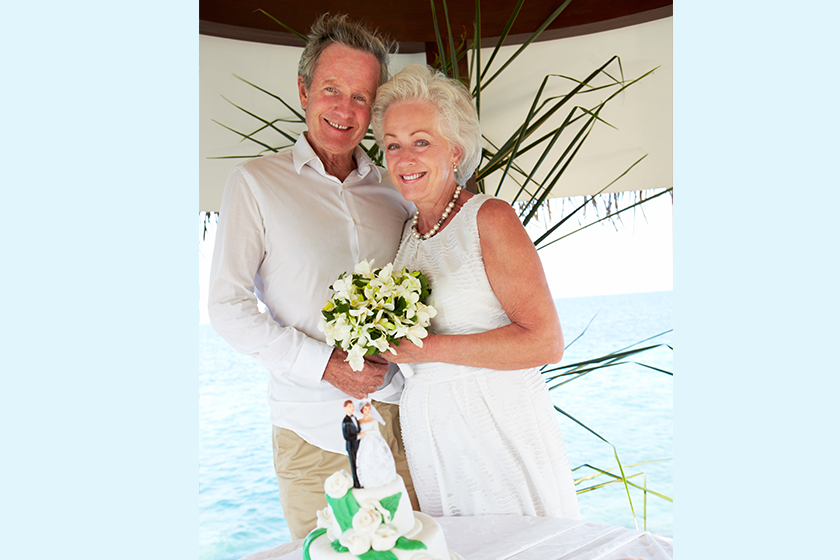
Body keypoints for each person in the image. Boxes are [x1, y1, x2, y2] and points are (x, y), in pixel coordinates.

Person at [208, 14, 418, 540]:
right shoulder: (255, 183)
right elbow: (226, 307)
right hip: (309, 434)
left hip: (406, 424)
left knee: (420, 552)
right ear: (303, 91)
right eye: (331, 89)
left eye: (361, 97)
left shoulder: (399, 191)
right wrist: (326, 365)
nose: (345, 110)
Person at [370, 63, 581, 519]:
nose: (404, 158)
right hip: (431, 428)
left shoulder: (489, 218)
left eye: (421, 142)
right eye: (393, 145)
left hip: (495, 420)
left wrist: (425, 348)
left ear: (456, 151)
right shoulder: (409, 236)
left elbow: (545, 341)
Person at [355, 401, 397, 488]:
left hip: (373, 439)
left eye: (368, 409)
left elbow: (375, 430)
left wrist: (366, 432)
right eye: (365, 409)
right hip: (364, 441)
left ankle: (383, 476)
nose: (367, 411)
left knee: (378, 455)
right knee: (364, 457)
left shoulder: (373, 420)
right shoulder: (360, 421)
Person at [341, 400, 362, 488]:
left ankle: (362, 479)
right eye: (350, 407)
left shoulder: (355, 418)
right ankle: (357, 482)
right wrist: (357, 436)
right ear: (345, 408)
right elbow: (347, 436)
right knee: (354, 464)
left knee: (360, 463)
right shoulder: (346, 421)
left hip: (358, 444)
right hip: (351, 446)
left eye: (352, 406)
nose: (352, 408)